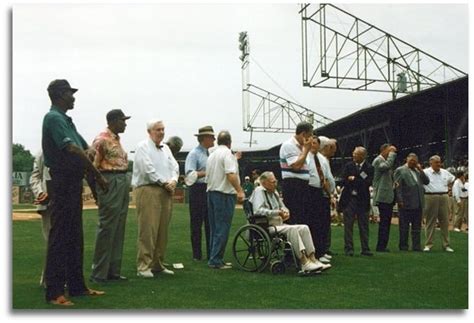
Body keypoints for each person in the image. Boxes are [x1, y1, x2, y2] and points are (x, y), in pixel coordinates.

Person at [42, 79, 107, 306]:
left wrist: (87, 154)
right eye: (70, 93)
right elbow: (71, 148)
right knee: (60, 236)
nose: (74, 97)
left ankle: (77, 287)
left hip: (72, 182)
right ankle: (54, 293)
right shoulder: (54, 118)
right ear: (60, 94)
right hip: (61, 182)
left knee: (74, 236)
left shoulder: (66, 120)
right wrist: (97, 175)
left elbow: (84, 147)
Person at [250, 172, 330, 272]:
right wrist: (277, 212)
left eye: (276, 181)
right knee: (292, 230)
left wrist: (286, 212)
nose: (275, 184)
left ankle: (313, 259)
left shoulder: (274, 192)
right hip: (266, 225)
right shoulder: (259, 191)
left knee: (304, 227)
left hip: (279, 224)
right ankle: (304, 262)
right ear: (264, 183)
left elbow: (283, 206)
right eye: (273, 182)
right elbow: (257, 211)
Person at [132, 119, 179, 277]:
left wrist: (173, 181)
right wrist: (164, 182)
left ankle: (157, 263)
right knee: (148, 229)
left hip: (165, 190)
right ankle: (143, 266)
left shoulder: (166, 148)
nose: (161, 132)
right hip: (148, 189)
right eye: (158, 129)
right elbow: (147, 169)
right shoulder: (142, 147)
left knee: (162, 230)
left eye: (163, 129)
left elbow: (175, 166)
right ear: (149, 131)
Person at [89, 109, 131, 283]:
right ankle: (99, 273)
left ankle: (113, 271)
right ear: (114, 121)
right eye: (123, 120)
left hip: (121, 180)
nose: (125, 123)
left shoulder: (117, 140)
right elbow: (91, 168)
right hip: (109, 181)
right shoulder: (101, 140)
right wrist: (97, 191)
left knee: (118, 227)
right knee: (107, 228)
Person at [206, 130, 245, 269]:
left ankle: (214, 256)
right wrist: (239, 190)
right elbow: (230, 174)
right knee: (222, 227)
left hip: (211, 192)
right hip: (224, 194)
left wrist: (235, 158)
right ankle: (216, 259)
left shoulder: (212, 155)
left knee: (214, 227)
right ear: (230, 142)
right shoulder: (227, 154)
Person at [184, 126, 215, 261]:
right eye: (211, 137)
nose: (214, 139)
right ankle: (197, 254)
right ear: (204, 139)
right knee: (196, 223)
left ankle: (210, 253)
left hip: (208, 189)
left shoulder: (211, 153)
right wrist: (208, 172)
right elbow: (190, 174)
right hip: (197, 189)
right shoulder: (194, 154)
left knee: (210, 223)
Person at [339, 146, 374, 256]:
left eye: (356, 154)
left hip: (363, 200)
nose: (354, 155)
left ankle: (365, 248)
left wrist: (354, 179)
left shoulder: (369, 167)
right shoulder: (348, 166)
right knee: (348, 225)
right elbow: (343, 180)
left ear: (363, 156)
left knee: (364, 225)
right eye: (353, 153)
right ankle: (349, 248)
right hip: (349, 199)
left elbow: (368, 182)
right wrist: (358, 180)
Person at [279, 121, 313, 225]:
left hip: (302, 185)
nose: (311, 138)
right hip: (293, 185)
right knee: (295, 217)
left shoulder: (301, 147)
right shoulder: (289, 145)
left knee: (303, 217)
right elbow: (296, 166)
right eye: (310, 135)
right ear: (303, 134)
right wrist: (306, 150)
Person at [394, 153, 430, 251]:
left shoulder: (418, 171)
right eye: (411, 161)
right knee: (404, 226)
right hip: (406, 202)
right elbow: (398, 187)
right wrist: (400, 200)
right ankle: (403, 246)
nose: (413, 163)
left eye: (415, 161)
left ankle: (416, 246)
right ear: (407, 160)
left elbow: (426, 181)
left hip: (418, 203)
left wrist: (421, 170)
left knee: (417, 227)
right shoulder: (400, 170)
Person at [307, 135, 334, 264]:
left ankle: (322, 251)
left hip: (322, 191)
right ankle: (315, 252)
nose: (313, 145)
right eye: (311, 143)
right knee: (314, 223)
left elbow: (328, 176)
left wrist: (331, 192)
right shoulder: (306, 157)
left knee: (323, 223)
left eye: (315, 143)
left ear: (319, 145)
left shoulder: (322, 159)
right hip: (310, 191)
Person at [422, 155, 455, 252]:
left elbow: (453, 179)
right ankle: (428, 244)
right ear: (430, 163)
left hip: (444, 196)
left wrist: (449, 188)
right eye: (436, 162)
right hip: (430, 196)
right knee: (430, 221)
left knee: (444, 221)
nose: (439, 164)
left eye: (439, 162)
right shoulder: (425, 172)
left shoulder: (445, 172)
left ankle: (446, 245)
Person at [29, 151, 51, 288]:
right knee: (52, 241)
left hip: (66, 202)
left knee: (69, 241)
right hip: (48, 203)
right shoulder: (42, 154)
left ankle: (64, 277)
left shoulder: (70, 148)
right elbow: (35, 178)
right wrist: (40, 192)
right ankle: (48, 279)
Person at [372, 143, 397, 252]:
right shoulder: (378, 160)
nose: (392, 153)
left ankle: (383, 245)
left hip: (388, 195)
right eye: (389, 151)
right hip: (383, 196)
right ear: (383, 150)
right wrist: (392, 155)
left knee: (386, 222)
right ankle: (380, 246)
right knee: (384, 222)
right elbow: (386, 166)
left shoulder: (384, 161)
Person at [318, 136, 337, 256]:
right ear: (327, 147)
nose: (334, 152)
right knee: (322, 223)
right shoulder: (321, 160)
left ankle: (325, 247)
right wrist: (330, 193)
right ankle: (322, 249)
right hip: (323, 195)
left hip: (326, 194)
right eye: (333, 148)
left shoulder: (325, 160)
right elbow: (323, 179)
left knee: (326, 223)